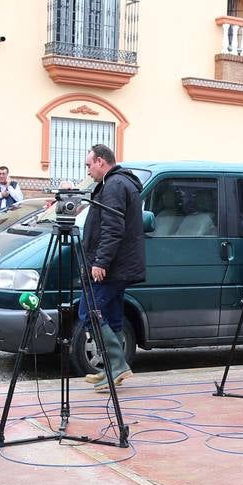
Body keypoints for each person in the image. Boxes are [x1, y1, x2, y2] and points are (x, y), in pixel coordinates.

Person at [80, 144, 146, 393]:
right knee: (112, 315)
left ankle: (116, 365)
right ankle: (112, 368)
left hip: (111, 268)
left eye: (89, 165)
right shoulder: (120, 183)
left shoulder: (114, 185)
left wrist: (100, 262)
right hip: (119, 267)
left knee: (89, 313)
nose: (88, 171)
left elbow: (112, 228)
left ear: (100, 161)